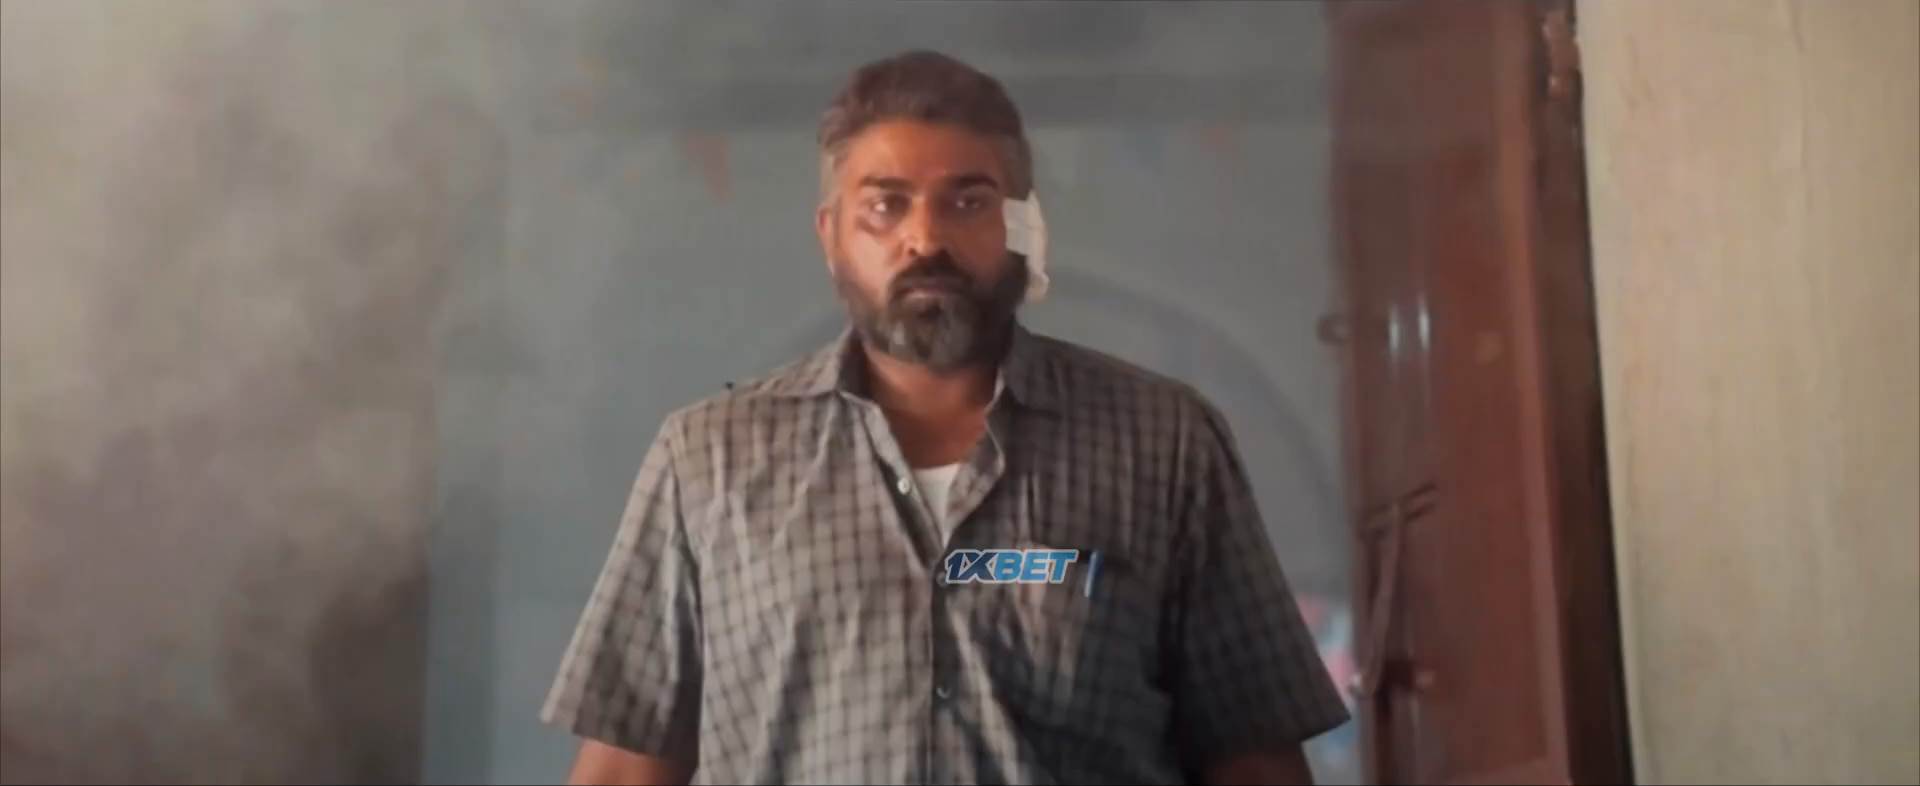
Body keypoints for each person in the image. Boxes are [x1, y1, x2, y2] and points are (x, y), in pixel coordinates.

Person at [541, 50, 1349, 786]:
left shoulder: (1163, 443)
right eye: (884, 207)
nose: (925, 238)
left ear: (1023, 226)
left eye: (967, 201)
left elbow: (1255, 760)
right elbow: (623, 769)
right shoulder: (707, 461)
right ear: (832, 237)